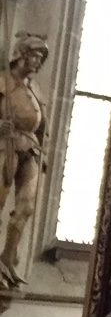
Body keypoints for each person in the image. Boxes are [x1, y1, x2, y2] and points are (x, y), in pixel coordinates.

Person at [0, 34, 49, 289]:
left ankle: (8, 257)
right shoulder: (3, 81)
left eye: (41, 58)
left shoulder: (34, 88)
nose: (38, 62)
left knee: (26, 207)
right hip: (5, 145)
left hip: (30, 149)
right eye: (35, 56)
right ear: (21, 54)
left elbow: (43, 123)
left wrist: (44, 150)